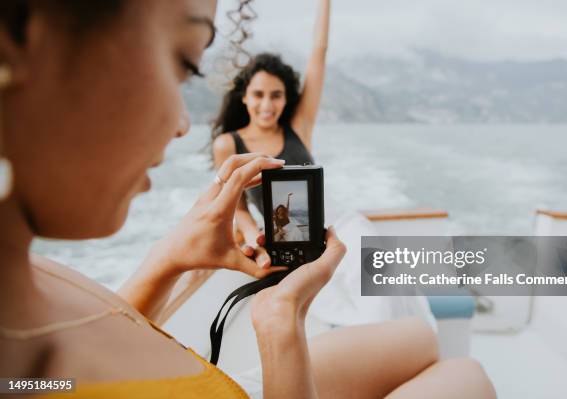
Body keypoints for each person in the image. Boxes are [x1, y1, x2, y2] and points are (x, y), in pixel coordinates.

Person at [0, 1, 496, 398]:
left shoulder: (36, 307)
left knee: (419, 336)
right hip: (235, 370)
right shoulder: (229, 141)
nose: (180, 123)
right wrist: (280, 320)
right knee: (467, 375)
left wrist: (168, 260)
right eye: (184, 63)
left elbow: (76, 361)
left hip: (220, 368)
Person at [211, 0, 330, 266]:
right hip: (274, 240)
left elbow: (319, 52)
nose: (267, 105)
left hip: (322, 236)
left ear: (286, 99)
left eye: (276, 95)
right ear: (244, 97)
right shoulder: (227, 144)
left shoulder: (299, 127)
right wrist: (256, 238)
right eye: (258, 94)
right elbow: (238, 208)